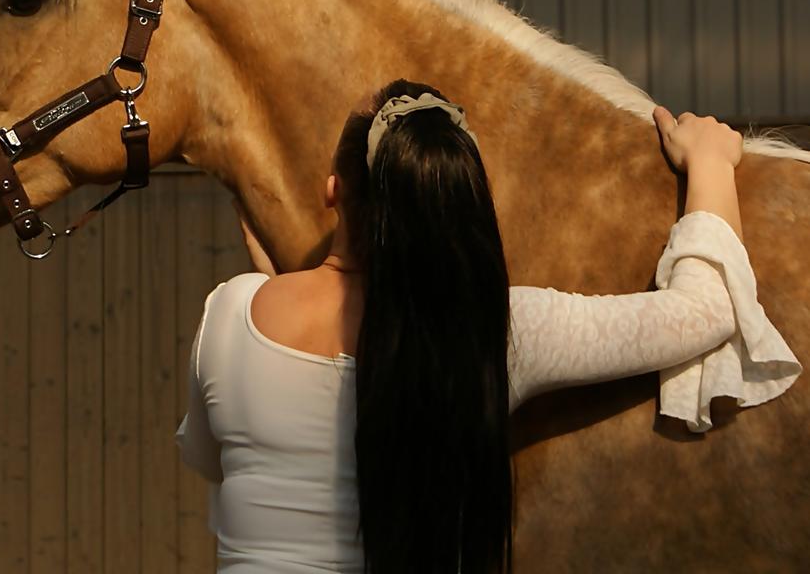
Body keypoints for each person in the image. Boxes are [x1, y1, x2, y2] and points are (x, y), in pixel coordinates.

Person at [175, 79, 798, 573]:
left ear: (333, 190)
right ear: (458, 204)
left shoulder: (231, 316)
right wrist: (711, 162)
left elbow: (215, 459)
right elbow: (707, 312)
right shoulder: (494, 332)